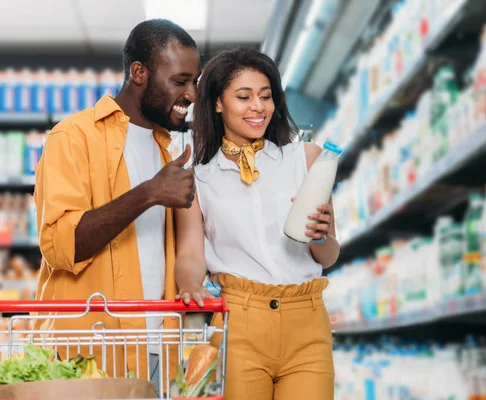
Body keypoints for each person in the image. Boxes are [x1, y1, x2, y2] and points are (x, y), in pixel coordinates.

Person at [33, 18, 201, 390]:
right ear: (139, 73)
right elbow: (61, 245)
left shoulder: (168, 149)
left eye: (195, 82)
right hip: (87, 352)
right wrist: (149, 193)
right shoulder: (72, 137)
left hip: (156, 348)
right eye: (180, 81)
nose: (191, 94)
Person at [174, 47, 339, 400]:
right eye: (244, 97)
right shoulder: (198, 180)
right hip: (239, 324)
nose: (258, 107)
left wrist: (321, 235)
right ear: (218, 103)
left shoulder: (306, 159)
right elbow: (190, 254)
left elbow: (328, 257)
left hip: (307, 322)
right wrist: (190, 286)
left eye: (266, 96)